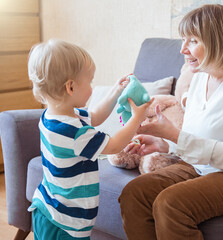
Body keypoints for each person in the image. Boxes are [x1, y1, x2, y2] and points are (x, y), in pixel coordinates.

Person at [119, 4, 223, 240]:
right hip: (207, 168)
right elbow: (198, 137)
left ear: (216, 41)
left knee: (171, 203)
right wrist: (165, 145)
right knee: (135, 193)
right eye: (183, 40)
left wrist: (175, 136)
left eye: (192, 41)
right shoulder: (200, 76)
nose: (182, 50)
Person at [27, 39, 153, 240]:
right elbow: (114, 146)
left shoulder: (57, 117)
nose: (92, 87)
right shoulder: (73, 133)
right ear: (71, 87)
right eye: (90, 81)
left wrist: (116, 91)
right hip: (65, 221)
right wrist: (136, 119)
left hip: (49, 208)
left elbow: (95, 116)